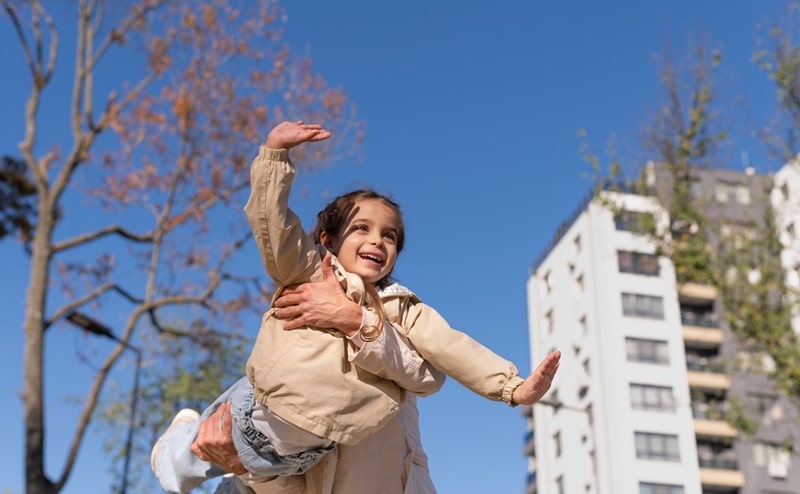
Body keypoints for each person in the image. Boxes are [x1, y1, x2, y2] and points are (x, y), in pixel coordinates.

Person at [151, 120, 561, 493]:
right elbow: (273, 230)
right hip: (267, 405)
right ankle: (175, 444)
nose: (378, 242)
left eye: (390, 237)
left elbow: (449, 349)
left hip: (309, 446)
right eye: (361, 228)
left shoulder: (401, 309)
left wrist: (512, 386)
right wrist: (275, 155)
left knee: (242, 460)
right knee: (195, 451)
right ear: (327, 239)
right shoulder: (308, 272)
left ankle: (189, 442)